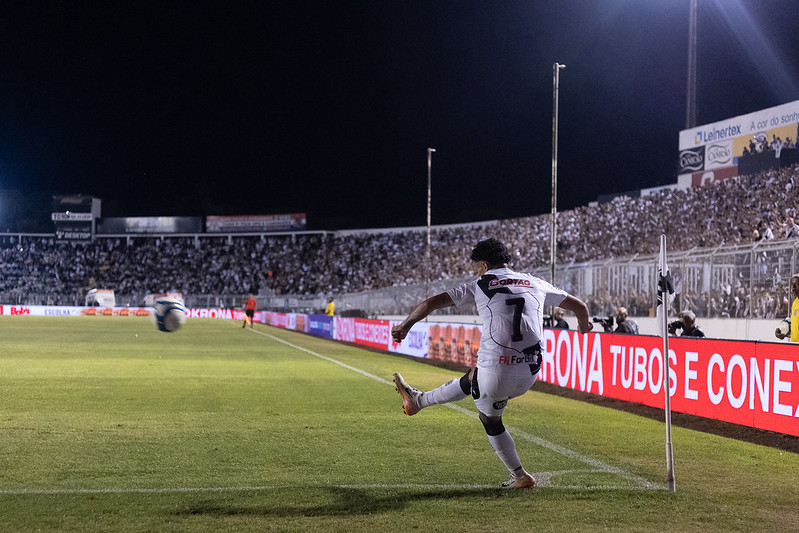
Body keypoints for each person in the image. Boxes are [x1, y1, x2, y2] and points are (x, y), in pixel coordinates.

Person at [390, 238, 592, 489]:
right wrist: (584, 326)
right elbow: (580, 306)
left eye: (476, 267)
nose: (475, 271)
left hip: (498, 373)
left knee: (490, 420)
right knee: (474, 377)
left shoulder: (479, 284)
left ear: (484, 265)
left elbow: (430, 303)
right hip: (531, 371)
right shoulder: (534, 281)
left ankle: (521, 477)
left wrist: (404, 326)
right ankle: (417, 401)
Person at [775, 274, 799, 342]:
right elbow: (795, 323)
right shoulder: (795, 303)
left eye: (796, 284)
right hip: (794, 345)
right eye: (792, 284)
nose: (793, 287)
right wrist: (783, 331)